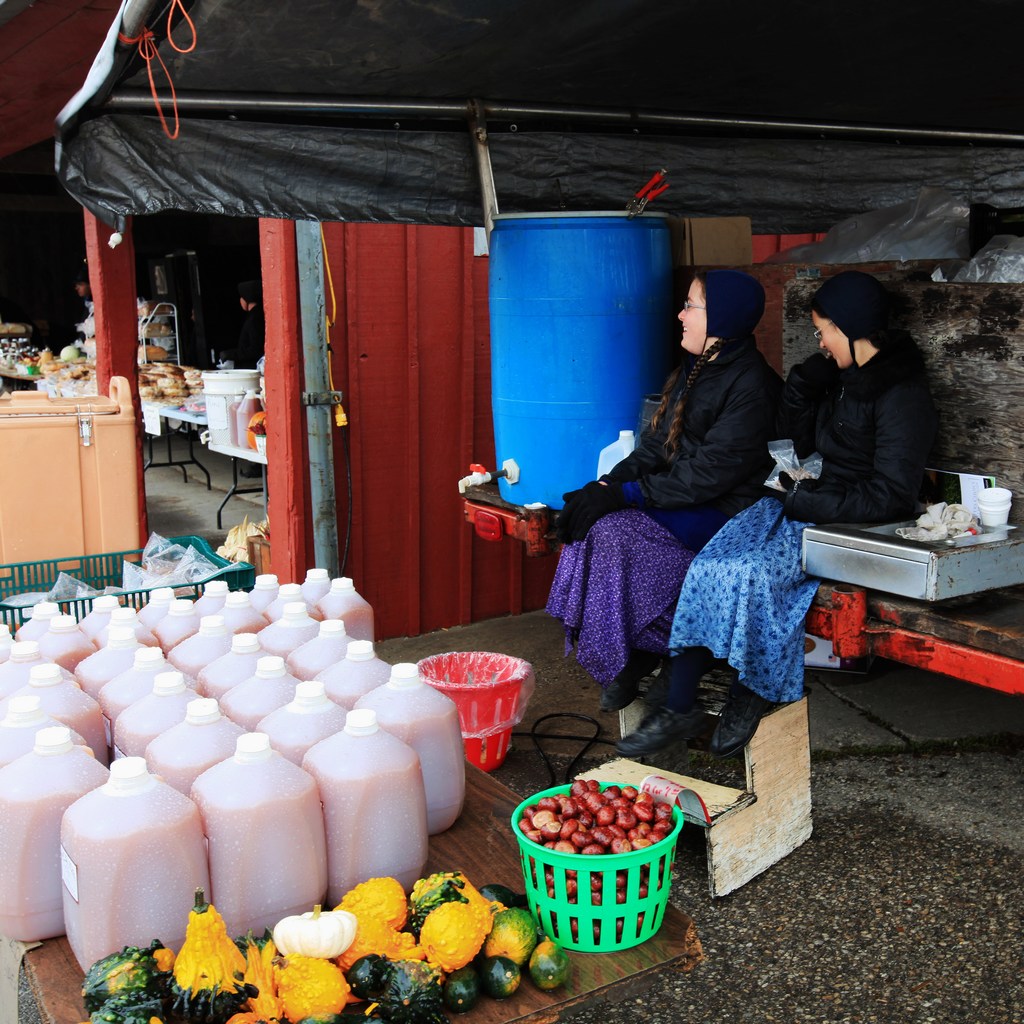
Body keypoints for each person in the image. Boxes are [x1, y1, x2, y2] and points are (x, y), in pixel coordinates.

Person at [619, 270, 938, 758]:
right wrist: (800, 392)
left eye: (824, 332)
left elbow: (892, 494)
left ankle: (755, 691)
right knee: (711, 564)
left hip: (852, 524)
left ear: (852, 328)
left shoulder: (902, 396)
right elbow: (800, 446)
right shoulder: (843, 378)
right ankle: (678, 697)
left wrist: (808, 502)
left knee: (752, 574)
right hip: (807, 500)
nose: (821, 342)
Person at [547, 269, 782, 715]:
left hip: (728, 510)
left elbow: (708, 475)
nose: (680, 315)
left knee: (617, 535)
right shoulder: (699, 369)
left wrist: (629, 496)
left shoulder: (753, 387)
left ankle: (648, 650)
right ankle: (634, 651)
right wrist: (606, 485)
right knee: (591, 520)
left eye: (691, 305)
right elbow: (656, 445)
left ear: (723, 319)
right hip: (688, 498)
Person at [219, 280, 265, 369]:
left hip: (252, 369)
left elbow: (255, 349)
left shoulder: (255, 319)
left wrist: (231, 354)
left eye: (242, 297)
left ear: (247, 299)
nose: (240, 300)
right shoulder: (255, 316)